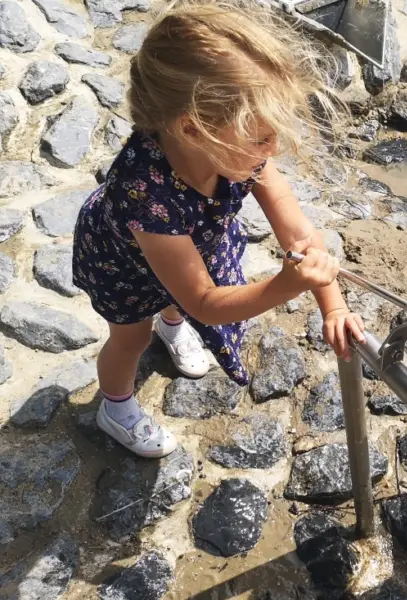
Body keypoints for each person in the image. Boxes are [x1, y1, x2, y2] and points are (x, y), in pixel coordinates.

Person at [72, 0, 364, 458]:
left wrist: (332, 305)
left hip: (190, 247)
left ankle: (172, 322)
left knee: (176, 298)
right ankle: (116, 405)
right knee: (131, 337)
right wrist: (286, 284)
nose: (273, 149)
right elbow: (206, 303)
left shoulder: (237, 152)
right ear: (193, 130)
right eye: (261, 138)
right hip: (123, 261)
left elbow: (298, 233)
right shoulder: (146, 196)